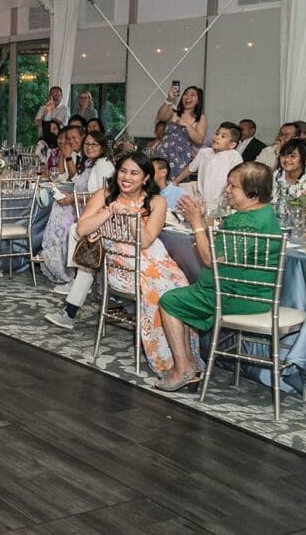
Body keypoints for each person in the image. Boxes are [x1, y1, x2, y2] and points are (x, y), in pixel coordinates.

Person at [49, 154, 195, 383]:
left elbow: (146, 241)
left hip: (157, 260)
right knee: (161, 293)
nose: (126, 177)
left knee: (182, 289)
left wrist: (133, 219)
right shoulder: (105, 196)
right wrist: (109, 211)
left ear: (146, 177)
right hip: (121, 266)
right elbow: (82, 229)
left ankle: (187, 360)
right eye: (123, 171)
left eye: (134, 173)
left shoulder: (157, 201)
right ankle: (172, 363)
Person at [158, 163, 280, 391]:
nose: (227, 190)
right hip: (260, 293)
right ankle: (189, 364)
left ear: (252, 192)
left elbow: (209, 260)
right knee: (184, 294)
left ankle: (182, 368)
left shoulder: (242, 221)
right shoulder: (265, 213)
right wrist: (202, 221)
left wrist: (196, 223)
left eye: (233, 186)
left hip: (236, 295)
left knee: (169, 300)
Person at [44, 131, 115, 293]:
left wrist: (74, 199)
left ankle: (73, 276)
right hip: (84, 207)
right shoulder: (91, 163)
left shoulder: (103, 164)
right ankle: (70, 273)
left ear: (102, 147)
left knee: (69, 225)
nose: (89, 147)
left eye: (94, 144)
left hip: (95, 213)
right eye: (87, 144)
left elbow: (103, 193)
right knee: (59, 209)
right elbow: (78, 181)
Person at [174, 122, 243, 204]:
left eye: (223, 136)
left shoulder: (234, 156)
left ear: (232, 145)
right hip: (201, 198)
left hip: (221, 200)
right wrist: (175, 181)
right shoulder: (204, 152)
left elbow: (238, 178)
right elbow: (190, 169)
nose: (217, 137)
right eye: (217, 133)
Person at [153, 84, 208, 178]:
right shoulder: (173, 113)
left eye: (192, 95)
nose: (188, 97)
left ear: (198, 101)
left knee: (174, 186)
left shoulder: (200, 118)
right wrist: (169, 99)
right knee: (156, 182)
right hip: (162, 153)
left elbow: (199, 140)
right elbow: (160, 116)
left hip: (180, 157)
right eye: (186, 94)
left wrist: (186, 124)